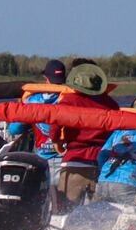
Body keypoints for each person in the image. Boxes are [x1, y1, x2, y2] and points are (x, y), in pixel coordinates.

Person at [51, 61, 120, 207]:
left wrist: (56, 141)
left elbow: (55, 124)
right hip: (103, 163)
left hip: (75, 160)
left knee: (65, 209)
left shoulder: (69, 101)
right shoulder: (111, 104)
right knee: (99, 213)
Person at [5, 59, 68, 178]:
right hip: (66, 160)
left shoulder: (32, 101)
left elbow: (14, 129)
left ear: (46, 78)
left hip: (42, 161)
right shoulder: (71, 100)